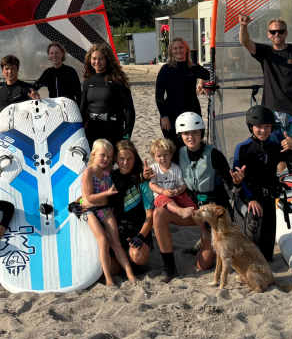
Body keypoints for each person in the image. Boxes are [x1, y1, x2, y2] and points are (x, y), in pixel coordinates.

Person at [153, 112, 239, 272]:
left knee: (203, 265)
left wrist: (236, 180)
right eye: (186, 133)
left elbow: (230, 183)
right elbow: (161, 167)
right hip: (191, 208)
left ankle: (205, 241)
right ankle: (170, 268)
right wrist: (146, 175)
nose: (190, 137)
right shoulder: (179, 154)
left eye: (195, 132)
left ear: (201, 133)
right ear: (180, 135)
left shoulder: (214, 154)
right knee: (158, 214)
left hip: (210, 210)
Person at [231, 104, 292, 261]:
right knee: (252, 250)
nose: (263, 131)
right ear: (251, 127)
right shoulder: (242, 148)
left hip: (268, 199)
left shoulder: (275, 146)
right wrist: (250, 198)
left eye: (267, 127)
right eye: (259, 127)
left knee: (266, 255)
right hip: (249, 198)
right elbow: (237, 182)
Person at [238, 15, 292, 149]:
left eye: (280, 31)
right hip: (272, 112)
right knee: (277, 153)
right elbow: (245, 42)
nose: (277, 34)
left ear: (286, 33)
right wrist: (243, 26)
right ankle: (282, 172)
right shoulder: (265, 52)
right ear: (268, 35)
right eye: (273, 32)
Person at [80, 139, 136, 286]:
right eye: (102, 155)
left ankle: (130, 274)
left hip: (105, 210)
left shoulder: (107, 172)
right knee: (103, 240)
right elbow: (88, 198)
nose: (106, 159)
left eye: (109, 156)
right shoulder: (88, 172)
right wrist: (107, 193)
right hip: (91, 211)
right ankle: (108, 278)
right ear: (93, 154)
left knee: (115, 242)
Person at [110, 141, 158, 276]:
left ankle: (133, 263)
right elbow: (91, 194)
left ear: (135, 158)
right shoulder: (111, 177)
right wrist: (79, 202)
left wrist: (141, 237)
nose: (125, 162)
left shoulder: (142, 180)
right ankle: (123, 263)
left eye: (129, 158)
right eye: (122, 158)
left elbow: (150, 215)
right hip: (117, 232)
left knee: (138, 256)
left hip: (138, 229)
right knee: (110, 268)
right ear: (116, 159)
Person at [155, 37, 210, 141]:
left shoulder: (193, 67)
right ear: (171, 51)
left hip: (192, 109)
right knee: (174, 146)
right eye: (175, 48)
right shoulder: (165, 69)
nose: (178, 50)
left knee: (194, 143)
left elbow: (209, 75)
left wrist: (202, 82)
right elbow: (159, 95)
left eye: (181, 47)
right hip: (171, 112)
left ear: (186, 49)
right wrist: (163, 115)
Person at [79, 43, 135, 145]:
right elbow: (82, 109)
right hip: (92, 131)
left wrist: (127, 134)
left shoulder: (118, 81)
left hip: (113, 131)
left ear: (107, 60)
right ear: (89, 60)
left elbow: (129, 110)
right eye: (94, 58)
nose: (97, 62)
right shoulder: (88, 81)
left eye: (101, 59)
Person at [0, 55, 39, 138]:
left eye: (13, 68)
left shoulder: (27, 89)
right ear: (2, 71)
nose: (10, 71)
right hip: (4, 135)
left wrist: (37, 100)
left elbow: (37, 111)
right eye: (7, 69)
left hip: (23, 134)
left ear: (17, 70)